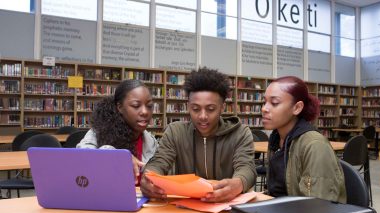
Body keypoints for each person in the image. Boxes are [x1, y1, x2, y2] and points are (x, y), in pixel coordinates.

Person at [140, 67, 256, 202]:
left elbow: (246, 167)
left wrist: (239, 183)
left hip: (226, 207)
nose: (202, 116)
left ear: (222, 108)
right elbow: (159, 161)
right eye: (195, 109)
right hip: (185, 209)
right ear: (188, 106)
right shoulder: (175, 132)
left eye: (211, 109)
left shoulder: (240, 133)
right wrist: (148, 177)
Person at [261, 76, 346, 203]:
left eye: (274, 103)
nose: (264, 109)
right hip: (281, 212)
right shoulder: (276, 138)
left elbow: (318, 206)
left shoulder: (314, 145)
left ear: (297, 108)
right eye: (264, 102)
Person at [77, 79, 158, 185]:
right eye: (136, 106)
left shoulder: (151, 141)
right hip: (105, 198)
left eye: (149, 106)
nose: (145, 112)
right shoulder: (99, 131)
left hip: (143, 200)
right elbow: (82, 159)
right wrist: (118, 157)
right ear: (120, 107)